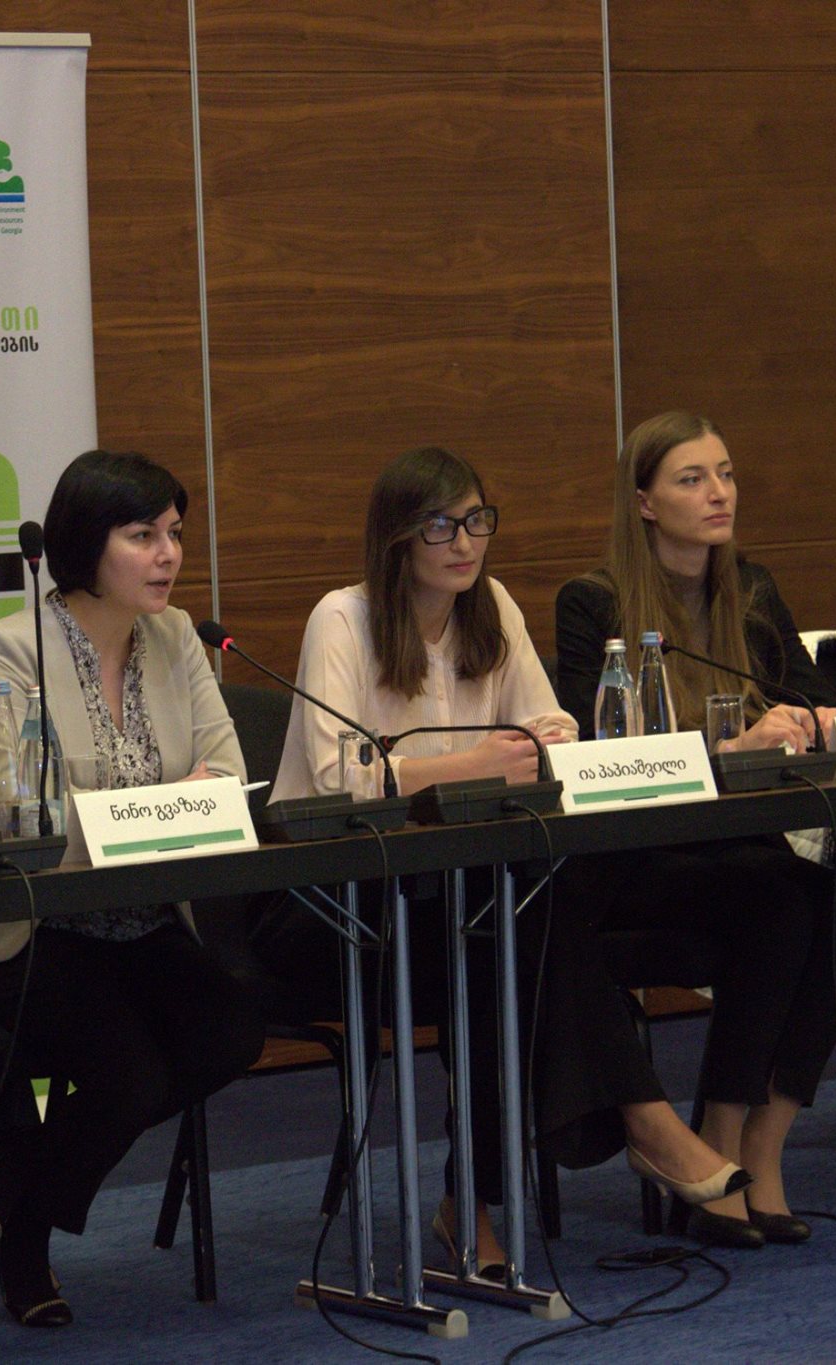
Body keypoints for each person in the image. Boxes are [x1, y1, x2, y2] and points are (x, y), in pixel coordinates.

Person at [275, 445, 747, 1274]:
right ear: (396, 537)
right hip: (339, 909)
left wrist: (522, 747)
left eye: (477, 521)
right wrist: (469, 765)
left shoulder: (489, 607)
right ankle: (634, 1122)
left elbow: (552, 726)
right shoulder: (341, 619)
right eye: (441, 525)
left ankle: (488, 1195)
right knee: (515, 946)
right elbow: (338, 775)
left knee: (518, 938)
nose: (465, 542)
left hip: (461, 892)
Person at [0, 450, 265, 1328]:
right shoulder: (9, 648)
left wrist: (125, 813)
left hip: (141, 921)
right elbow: (25, 816)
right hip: (36, 931)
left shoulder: (178, 638)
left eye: (174, 533)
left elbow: (227, 774)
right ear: (87, 543)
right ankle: (25, 1243)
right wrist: (161, 805)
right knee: (127, 1074)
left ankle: (19, 1178)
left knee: (231, 1029)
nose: (168, 554)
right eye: (142, 535)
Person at [554, 411, 836, 1247]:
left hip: (738, 847)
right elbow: (599, 749)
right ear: (644, 502)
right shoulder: (592, 602)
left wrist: (817, 719)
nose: (718, 492)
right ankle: (720, 1141)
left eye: (725, 473)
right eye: (692, 479)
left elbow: (807, 696)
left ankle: (753, 1141)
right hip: (637, 861)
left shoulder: (751, 589)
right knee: (781, 899)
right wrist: (728, 749)